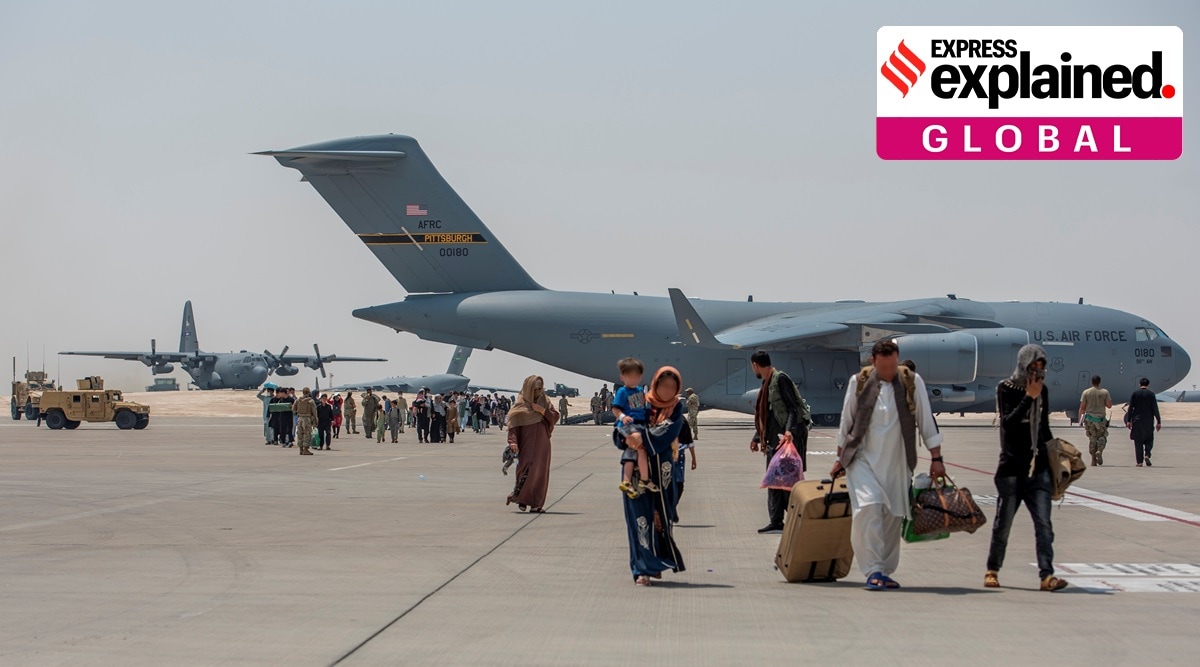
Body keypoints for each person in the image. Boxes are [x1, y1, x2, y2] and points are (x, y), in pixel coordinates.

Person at [832, 340, 943, 591]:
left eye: (893, 365)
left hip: (898, 462)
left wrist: (937, 458)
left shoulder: (912, 382)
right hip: (862, 460)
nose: (889, 371)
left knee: (893, 515)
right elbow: (846, 421)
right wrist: (840, 458)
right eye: (884, 367)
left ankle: (885, 569)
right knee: (869, 508)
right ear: (873, 362)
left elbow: (926, 422)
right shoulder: (858, 382)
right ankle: (873, 570)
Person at [986, 344, 1068, 592]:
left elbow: (1043, 429)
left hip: (1039, 469)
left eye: (1042, 368)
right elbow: (1008, 425)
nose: (1038, 373)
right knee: (1004, 524)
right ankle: (992, 569)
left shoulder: (1042, 391)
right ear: (1024, 365)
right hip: (1012, 468)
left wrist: (1057, 460)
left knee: (1044, 524)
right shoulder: (1006, 388)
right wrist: (1029, 397)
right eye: (1034, 367)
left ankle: (1047, 575)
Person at [621, 366, 687, 586]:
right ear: (655, 384)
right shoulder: (640, 401)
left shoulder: (676, 409)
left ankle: (656, 562)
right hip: (637, 475)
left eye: (671, 386)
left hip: (663, 475)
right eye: (663, 385)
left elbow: (669, 430)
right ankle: (642, 570)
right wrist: (627, 436)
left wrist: (642, 438)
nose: (667, 391)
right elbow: (621, 424)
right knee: (640, 521)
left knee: (660, 521)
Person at [749, 351, 810, 533]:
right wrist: (757, 437)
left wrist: (788, 431)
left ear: (755, 365)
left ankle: (796, 518)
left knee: (788, 482)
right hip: (774, 440)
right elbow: (768, 415)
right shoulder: (768, 383)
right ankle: (776, 521)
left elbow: (792, 408)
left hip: (788, 439)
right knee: (774, 480)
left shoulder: (780, 379)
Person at [506, 376, 560, 513]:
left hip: (543, 444)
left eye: (540, 389)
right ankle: (522, 499)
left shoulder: (545, 401)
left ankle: (536, 503)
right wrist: (513, 442)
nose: (537, 391)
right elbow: (513, 425)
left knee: (540, 472)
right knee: (525, 470)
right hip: (526, 443)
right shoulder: (521, 404)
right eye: (534, 389)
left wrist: (542, 411)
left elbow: (555, 416)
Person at [613, 358, 658, 498]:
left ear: (640, 377)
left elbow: (642, 409)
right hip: (628, 425)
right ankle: (645, 480)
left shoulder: (639, 391)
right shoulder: (622, 391)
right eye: (629, 376)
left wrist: (651, 415)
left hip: (639, 424)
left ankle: (626, 482)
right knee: (642, 449)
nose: (633, 379)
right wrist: (622, 417)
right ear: (622, 377)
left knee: (631, 453)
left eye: (636, 376)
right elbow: (615, 408)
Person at [1124, 377, 1162, 467]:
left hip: (1137, 421)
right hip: (1148, 421)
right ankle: (1147, 454)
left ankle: (1139, 462)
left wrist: (1128, 420)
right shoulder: (1151, 394)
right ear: (1148, 385)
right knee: (1149, 439)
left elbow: (1130, 408)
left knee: (1138, 442)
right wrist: (1158, 421)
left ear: (1139, 384)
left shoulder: (1135, 394)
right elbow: (1155, 409)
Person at [1078, 375, 1113, 466]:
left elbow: (1082, 407)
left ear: (1091, 382)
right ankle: (1099, 451)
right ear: (1099, 382)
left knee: (1092, 438)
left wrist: (1080, 420)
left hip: (1089, 419)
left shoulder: (1086, 392)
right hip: (1101, 419)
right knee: (1102, 436)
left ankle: (1093, 459)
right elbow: (1109, 405)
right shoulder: (1105, 392)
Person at [293, 388, 318, 456]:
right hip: (307, 419)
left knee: (300, 434)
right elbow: (314, 411)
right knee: (307, 434)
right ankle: (305, 449)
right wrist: (316, 420)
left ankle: (301, 449)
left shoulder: (298, 400)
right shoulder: (311, 401)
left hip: (299, 418)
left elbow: (293, 409)